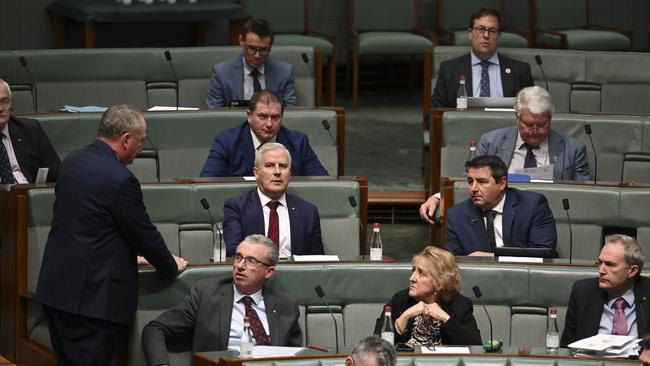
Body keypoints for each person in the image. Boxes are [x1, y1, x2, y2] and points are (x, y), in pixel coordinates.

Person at [35, 105, 189, 366]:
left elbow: (89, 227)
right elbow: (143, 233)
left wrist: (132, 258)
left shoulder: (72, 162)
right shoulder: (120, 179)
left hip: (57, 289)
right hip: (92, 301)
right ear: (126, 139)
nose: (141, 149)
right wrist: (169, 265)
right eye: (140, 141)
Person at [419, 85, 590, 223]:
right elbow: (469, 181)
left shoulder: (573, 149)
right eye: (529, 125)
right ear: (517, 119)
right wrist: (439, 197)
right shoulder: (492, 141)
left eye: (542, 125)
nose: (535, 131)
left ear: (550, 119)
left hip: (551, 218)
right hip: (496, 217)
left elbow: (584, 195)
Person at [141, 235, 302, 365]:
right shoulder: (206, 294)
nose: (240, 265)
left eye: (251, 261)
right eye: (238, 257)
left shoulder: (286, 305)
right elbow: (155, 329)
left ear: (269, 272)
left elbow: (296, 358)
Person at [223, 142, 324, 257]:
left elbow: (317, 259)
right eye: (270, 165)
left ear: (290, 174)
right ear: (256, 173)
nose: (277, 172)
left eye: (283, 166)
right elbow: (233, 251)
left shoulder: (308, 211)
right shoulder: (237, 208)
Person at [445, 155, 557, 256]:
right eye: (470, 181)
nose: (473, 188)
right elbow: (452, 261)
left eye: (482, 181)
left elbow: (544, 253)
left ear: (502, 183)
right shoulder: (457, 215)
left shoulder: (532, 205)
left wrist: (495, 258)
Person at [200, 89, 328, 177]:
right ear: (249, 116)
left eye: (275, 117)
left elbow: (321, 182)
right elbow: (209, 183)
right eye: (262, 116)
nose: (269, 124)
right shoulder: (227, 141)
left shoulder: (298, 142)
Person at [374, 246, 482, 346]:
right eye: (413, 270)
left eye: (421, 273)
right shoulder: (400, 300)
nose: (412, 278)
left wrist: (445, 318)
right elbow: (377, 346)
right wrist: (405, 317)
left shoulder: (460, 305)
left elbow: (475, 346)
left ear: (440, 283)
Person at [431, 9, 533, 108]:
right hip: (465, 124)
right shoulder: (449, 69)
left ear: (499, 36)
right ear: (470, 34)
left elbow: (533, 109)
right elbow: (435, 112)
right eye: (480, 29)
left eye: (492, 30)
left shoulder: (521, 71)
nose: (486, 35)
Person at [561, 234, 650, 347]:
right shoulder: (582, 292)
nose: (601, 270)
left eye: (609, 264)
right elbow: (567, 347)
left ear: (632, 271)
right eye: (600, 263)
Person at [205, 17, 296, 108]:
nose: (257, 55)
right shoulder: (221, 73)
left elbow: (290, 112)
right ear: (241, 41)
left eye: (263, 50)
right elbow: (214, 113)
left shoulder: (284, 72)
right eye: (252, 48)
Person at [0, 79, 60, 183]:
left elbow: (56, 170)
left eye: (5, 101)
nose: (1, 108)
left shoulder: (31, 130)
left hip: (29, 193)